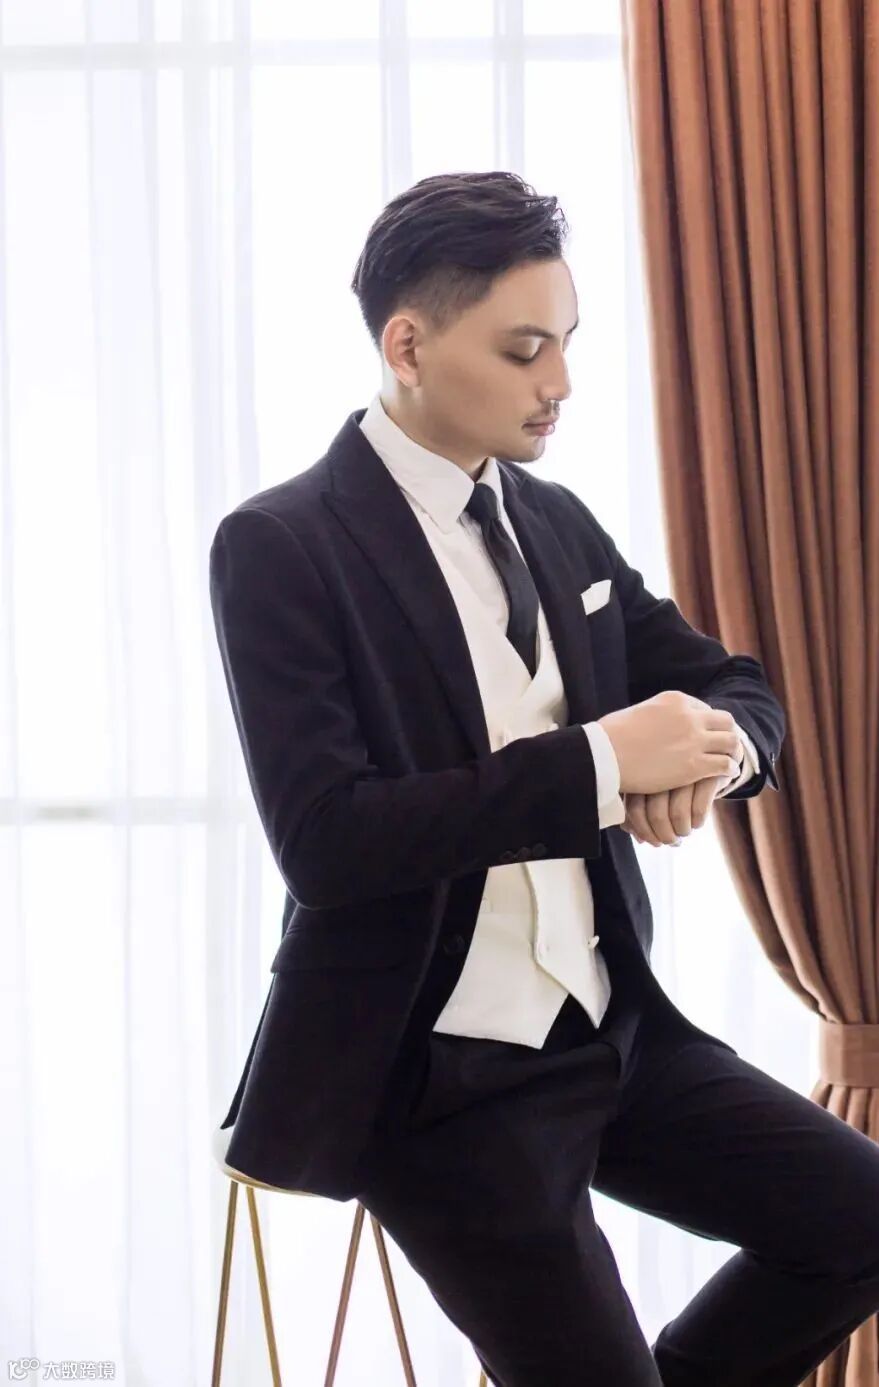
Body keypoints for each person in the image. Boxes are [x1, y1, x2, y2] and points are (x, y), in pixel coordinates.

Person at [208, 171, 879, 1386]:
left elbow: (732, 684)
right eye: (525, 351)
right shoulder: (282, 543)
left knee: (860, 1220)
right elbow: (328, 840)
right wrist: (604, 763)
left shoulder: (554, 521)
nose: (559, 383)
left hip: (615, 1034)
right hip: (436, 1076)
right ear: (407, 346)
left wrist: (711, 753)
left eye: (567, 343)